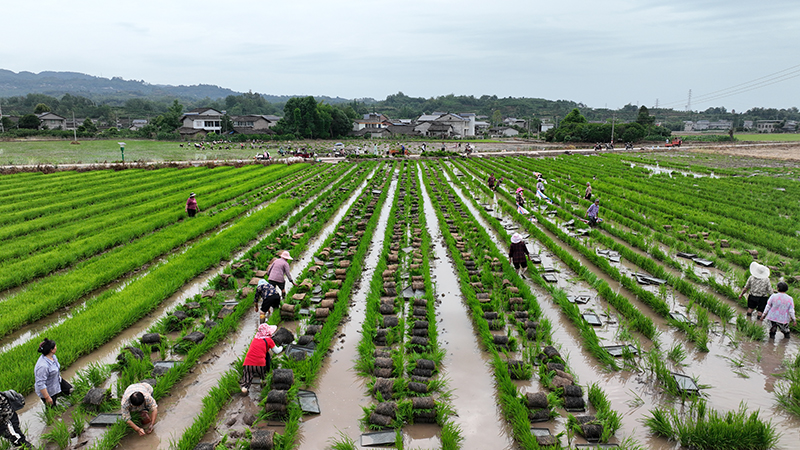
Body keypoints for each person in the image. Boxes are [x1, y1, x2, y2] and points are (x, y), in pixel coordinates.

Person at [240, 324, 283, 394]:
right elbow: (276, 351)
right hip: (260, 364)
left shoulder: (255, 339)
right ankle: (263, 386)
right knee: (264, 376)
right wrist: (281, 347)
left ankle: (244, 389)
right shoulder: (269, 340)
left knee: (247, 380)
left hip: (248, 363)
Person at [35, 338, 69, 408]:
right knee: (52, 408)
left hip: (57, 380)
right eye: (55, 346)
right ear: (51, 350)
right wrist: (47, 397)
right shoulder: (42, 366)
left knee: (70, 391)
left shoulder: (52, 356)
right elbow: (40, 383)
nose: (56, 347)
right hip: (48, 389)